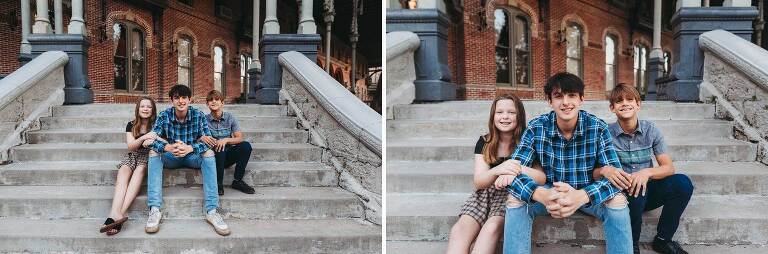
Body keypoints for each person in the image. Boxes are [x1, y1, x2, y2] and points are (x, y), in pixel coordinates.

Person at [501, 72, 633, 254]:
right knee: (516, 199)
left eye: (571, 95)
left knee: (618, 200)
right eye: (558, 96)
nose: (565, 102)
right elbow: (512, 171)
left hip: (587, 192)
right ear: (549, 101)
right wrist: (540, 194)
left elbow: (615, 178)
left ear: (581, 99)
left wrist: (581, 196)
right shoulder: (536, 127)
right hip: (550, 192)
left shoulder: (598, 127)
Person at [597, 84, 693, 254]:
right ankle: (631, 245)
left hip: (649, 189)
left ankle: (663, 240)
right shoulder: (606, 133)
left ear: (638, 104)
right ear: (612, 108)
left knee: (682, 183)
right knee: (635, 189)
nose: (625, 103)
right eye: (619, 101)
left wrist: (646, 172)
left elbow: (668, 167)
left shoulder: (651, 130)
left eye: (629, 99)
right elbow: (597, 171)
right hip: (622, 194)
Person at [445, 94, 546, 254]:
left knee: (490, 229)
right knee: (459, 230)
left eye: (511, 112)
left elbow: (541, 177)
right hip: (484, 194)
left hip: (512, 194)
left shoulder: (529, 141)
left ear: (519, 116)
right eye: (499, 112)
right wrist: (499, 169)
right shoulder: (485, 141)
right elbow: (479, 182)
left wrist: (515, 167)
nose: (505, 117)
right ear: (493, 116)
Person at [144, 85, 230, 236]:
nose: (181, 101)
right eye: (177, 98)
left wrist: (191, 148)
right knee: (153, 152)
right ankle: (155, 209)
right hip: (172, 156)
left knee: (209, 153)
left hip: (191, 156)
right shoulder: (164, 115)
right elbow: (151, 138)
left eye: (184, 97)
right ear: (172, 100)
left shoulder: (198, 115)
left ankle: (211, 210)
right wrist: (168, 148)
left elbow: (208, 141)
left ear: (190, 99)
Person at [100, 97, 158, 235]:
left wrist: (151, 137)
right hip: (133, 155)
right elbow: (131, 146)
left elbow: (160, 140)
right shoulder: (131, 125)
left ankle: (117, 215)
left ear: (153, 110)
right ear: (138, 109)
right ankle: (115, 214)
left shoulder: (157, 125)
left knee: (140, 170)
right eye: (142, 106)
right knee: (123, 172)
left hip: (148, 156)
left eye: (148, 107)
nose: (145, 109)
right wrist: (144, 137)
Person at [201, 90, 255, 195]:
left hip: (228, 155)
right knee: (220, 149)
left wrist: (225, 140)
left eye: (217, 99)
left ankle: (237, 181)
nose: (214, 102)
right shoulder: (204, 119)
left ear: (222, 103)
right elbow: (199, 138)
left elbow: (239, 138)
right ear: (207, 104)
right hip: (214, 156)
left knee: (246, 146)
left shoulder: (230, 118)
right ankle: (218, 183)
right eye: (210, 100)